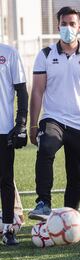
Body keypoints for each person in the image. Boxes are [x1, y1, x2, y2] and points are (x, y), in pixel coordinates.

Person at [28, 6, 80, 220]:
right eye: (64, 24)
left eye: (72, 24)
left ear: (79, 26)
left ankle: (69, 217)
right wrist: (33, 124)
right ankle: (43, 203)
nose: (68, 28)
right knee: (46, 150)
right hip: (52, 119)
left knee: (76, 175)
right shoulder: (45, 54)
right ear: (58, 26)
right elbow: (36, 91)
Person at [0, 41, 28, 246]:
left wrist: (20, 123)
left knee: (6, 179)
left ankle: (8, 229)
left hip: (3, 129)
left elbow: (22, 91)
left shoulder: (9, 53)